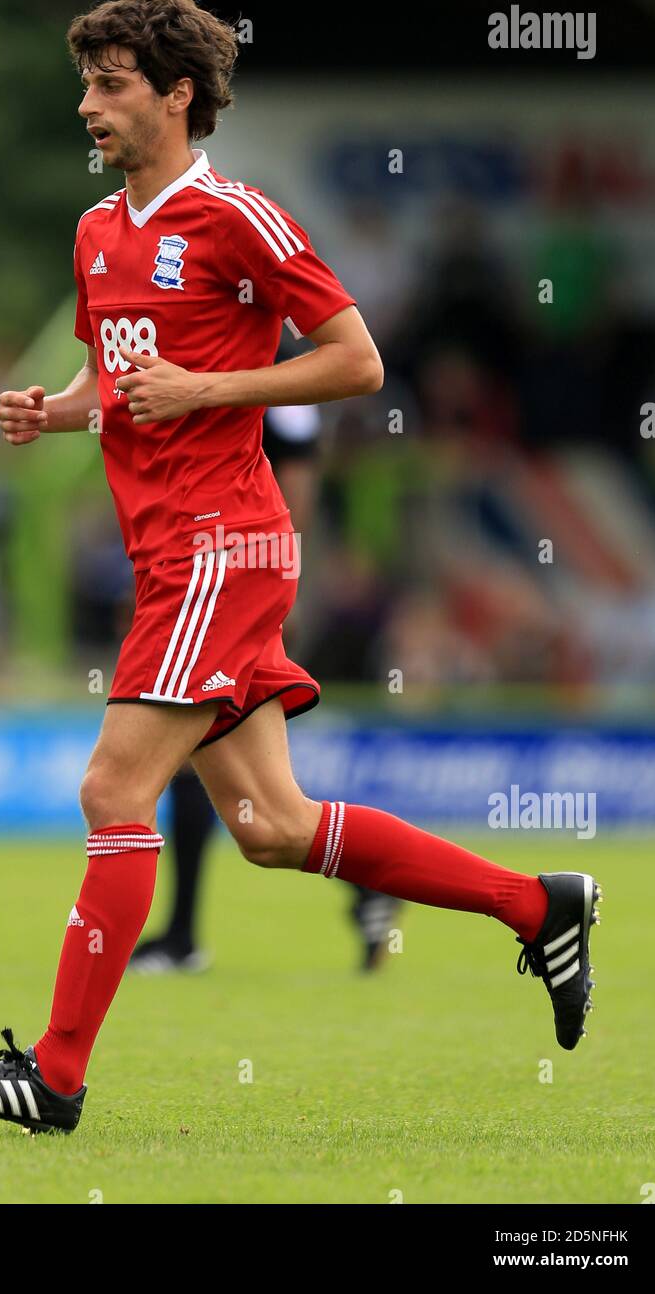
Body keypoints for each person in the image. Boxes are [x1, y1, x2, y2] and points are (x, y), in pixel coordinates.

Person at [0, 0, 600, 1135]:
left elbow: (358, 362)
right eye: (85, 83)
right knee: (274, 828)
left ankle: (56, 1074)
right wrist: (57, 410)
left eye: (111, 84)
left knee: (112, 789)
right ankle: (539, 903)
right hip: (170, 550)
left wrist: (212, 387)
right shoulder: (95, 233)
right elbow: (116, 382)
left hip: (221, 545)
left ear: (177, 94)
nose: (89, 105)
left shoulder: (240, 220)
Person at [130, 401, 402, 975]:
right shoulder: (220, 347)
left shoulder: (267, 358)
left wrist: (280, 577)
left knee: (205, 756)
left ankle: (182, 937)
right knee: (242, 775)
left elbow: (298, 470)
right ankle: (367, 880)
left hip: (241, 580)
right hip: (204, 572)